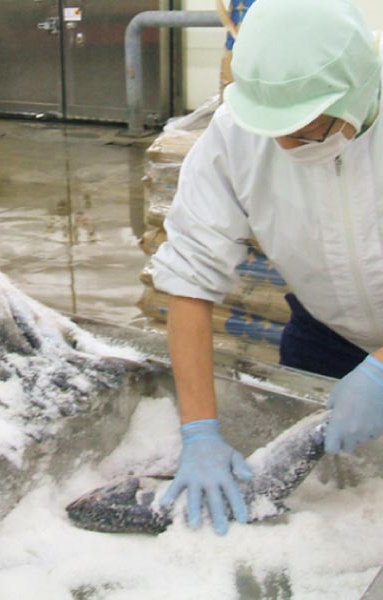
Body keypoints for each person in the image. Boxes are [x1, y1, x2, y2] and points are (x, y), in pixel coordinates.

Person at [151, 0, 383, 536]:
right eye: (270, 126)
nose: (282, 144)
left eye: (304, 130)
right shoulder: (234, 136)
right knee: (333, 501)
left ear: (355, 90)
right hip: (327, 333)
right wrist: (200, 430)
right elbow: (189, 277)